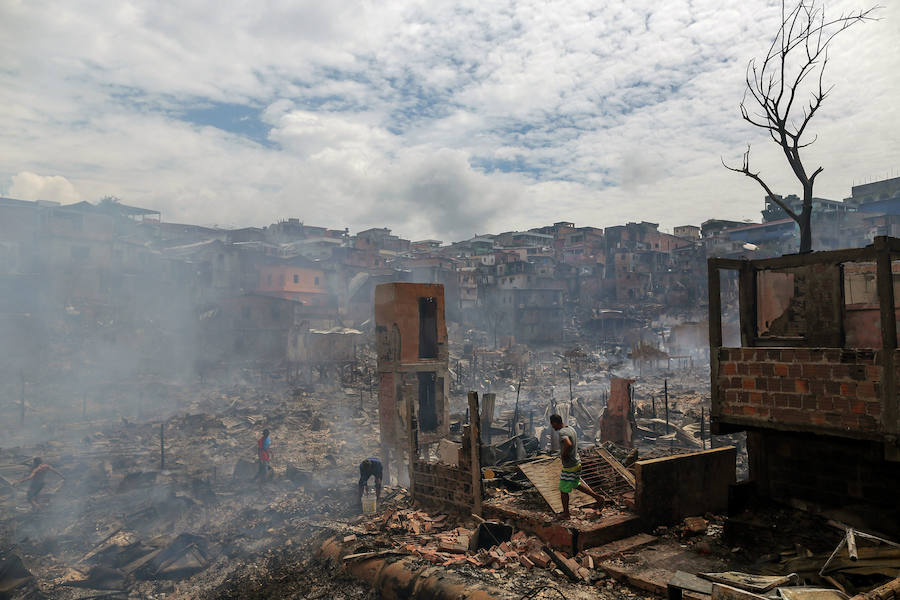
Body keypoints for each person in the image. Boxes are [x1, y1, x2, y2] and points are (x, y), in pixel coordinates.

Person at [549, 414, 604, 520]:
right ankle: (598, 498)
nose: (552, 427)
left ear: (555, 423)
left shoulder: (562, 432)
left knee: (563, 490)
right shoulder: (570, 429)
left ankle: (566, 514)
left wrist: (564, 455)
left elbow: (568, 444)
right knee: (576, 484)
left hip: (570, 465)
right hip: (576, 462)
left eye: (552, 424)